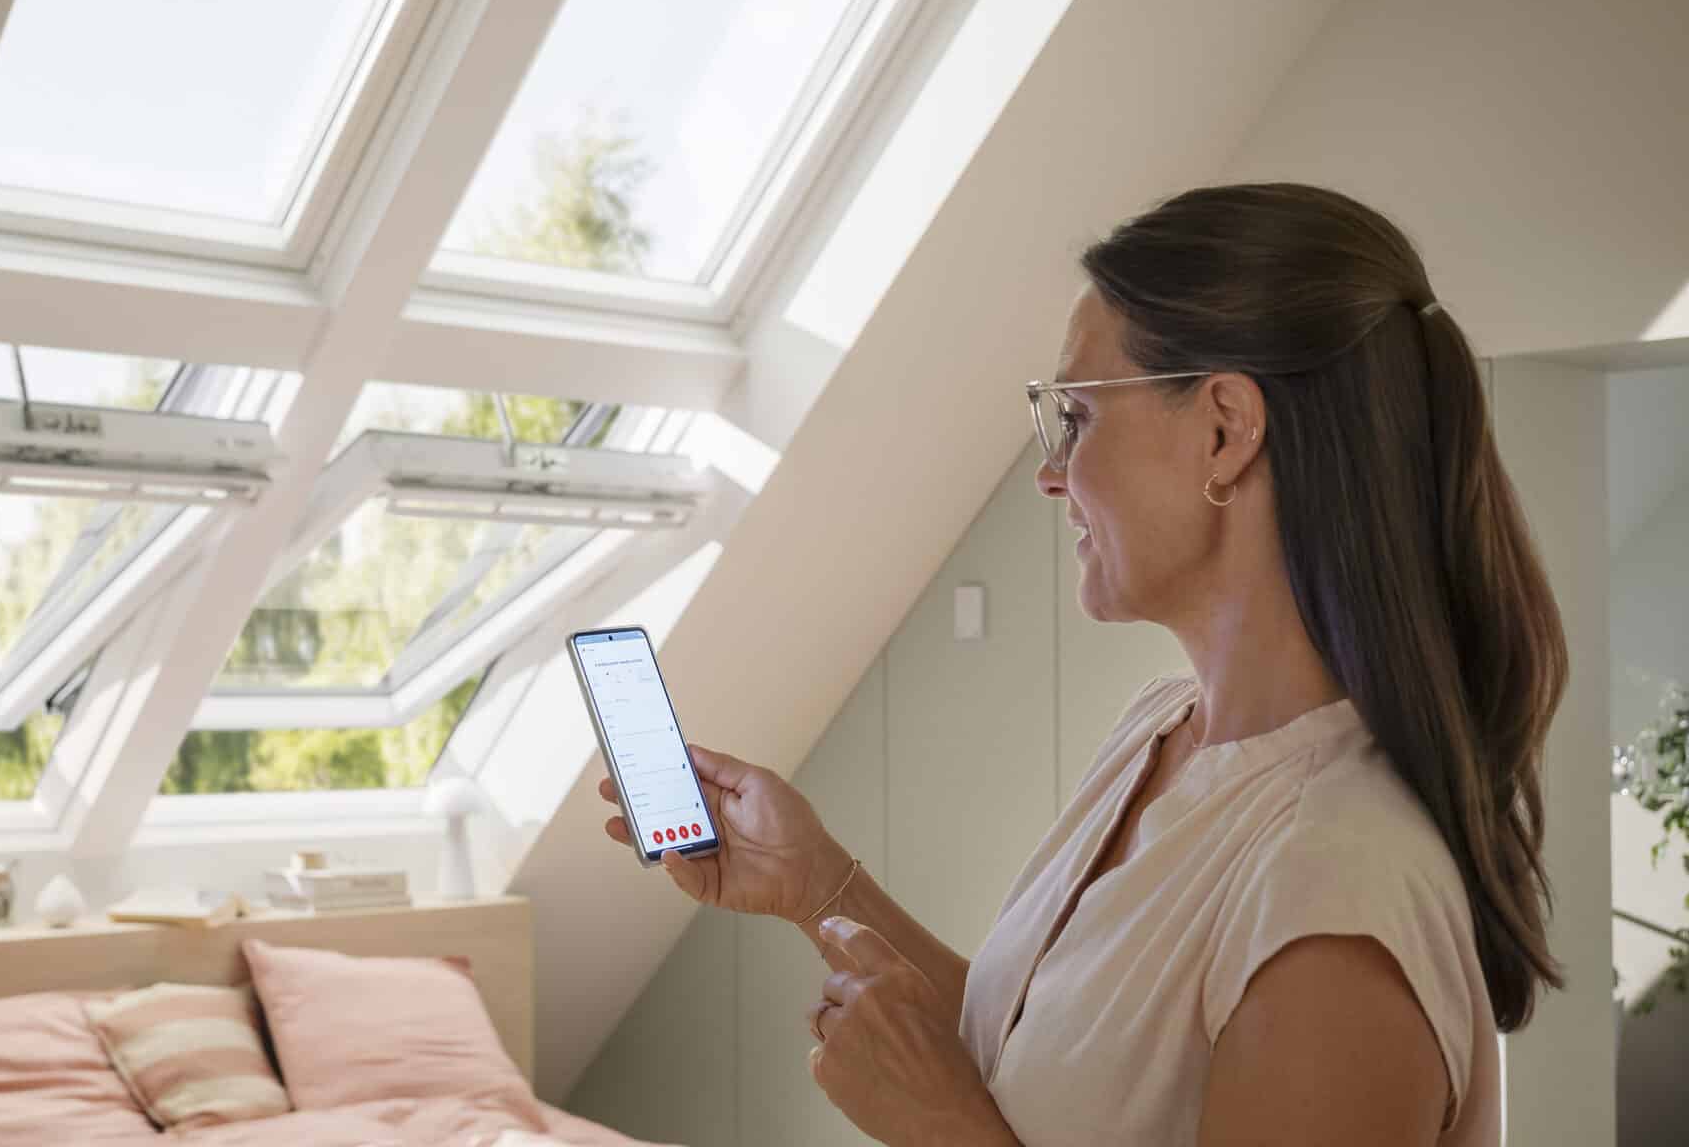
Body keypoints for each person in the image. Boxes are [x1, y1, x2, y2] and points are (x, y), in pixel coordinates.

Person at [597, 183, 1567, 1146]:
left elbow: (978, 1114)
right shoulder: (1161, 733)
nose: (1049, 471)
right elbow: (1044, 1065)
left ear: (1225, 430)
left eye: (1077, 416)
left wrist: (940, 1129)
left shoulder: (1335, 895)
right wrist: (814, 884)